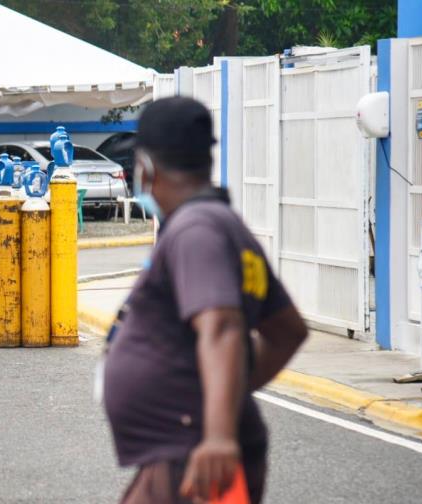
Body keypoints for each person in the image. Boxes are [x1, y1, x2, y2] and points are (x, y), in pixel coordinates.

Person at [102, 97, 308, 504]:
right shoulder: (221, 224)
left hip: (194, 455)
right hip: (178, 449)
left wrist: (215, 432)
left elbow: (222, 325)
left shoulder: (196, 231)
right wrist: (223, 398)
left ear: (145, 167)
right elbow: (288, 332)